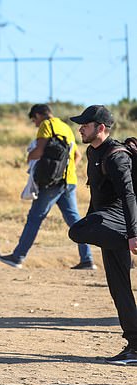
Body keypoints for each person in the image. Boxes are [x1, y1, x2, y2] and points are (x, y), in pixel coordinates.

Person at [68, 105, 137, 365]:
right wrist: (91, 222)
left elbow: (129, 195)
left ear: (101, 128)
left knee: (76, 231)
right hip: (108, 224)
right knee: (118, 287)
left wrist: (133, 234)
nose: (80, 128)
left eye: (85, 124)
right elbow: (96, 194)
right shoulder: (92, 151)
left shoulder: (116, 156)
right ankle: (134, 345)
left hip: (120, 222)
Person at [0, 103, 95, 270]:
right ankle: (87, 259)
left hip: (52, 183)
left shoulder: (46, 125)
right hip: (69, 181)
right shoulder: (66, 127)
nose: (35, 123)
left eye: (34, 119)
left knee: (34, 218)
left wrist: (29, 158)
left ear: (39, 115)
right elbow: (77, 156)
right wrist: (66, 170)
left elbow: (40, 150)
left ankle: (17, 257)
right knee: (74, 220)